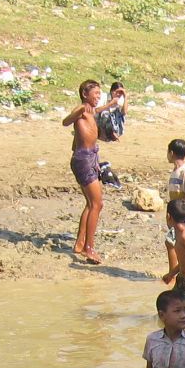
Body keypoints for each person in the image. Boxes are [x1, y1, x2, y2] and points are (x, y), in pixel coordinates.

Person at [62, 78, 123, 265]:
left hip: (89, 159)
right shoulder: (81, 111)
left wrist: (111, 103)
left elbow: (95, 111)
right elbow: (65, 122)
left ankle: (80, 244)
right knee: (97, 204)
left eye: (99, 94)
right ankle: (89, 248)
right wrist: (80, 109)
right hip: (84, 160)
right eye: (95, 94)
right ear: (84, 94)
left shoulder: (90, 112)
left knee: (91, 203)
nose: (98, 97)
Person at [162, 138, 185, 284]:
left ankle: (174, 275)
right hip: (175, 213)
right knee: (174, 242)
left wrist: (179, 212)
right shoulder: (175, 172)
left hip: (184, 213)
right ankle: (178, 273)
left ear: (171, 153)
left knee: (171, 241)